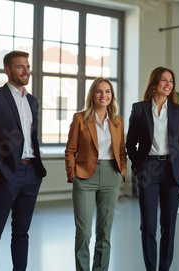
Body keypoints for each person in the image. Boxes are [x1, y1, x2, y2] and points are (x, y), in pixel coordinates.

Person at [0, 50, 47, 271]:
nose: (26, 71)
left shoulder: (32, 101)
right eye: (20, 67)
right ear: (7, 70)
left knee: (22, 232)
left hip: (31, 173)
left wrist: (35, 171)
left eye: (27, 66)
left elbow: (31, 137)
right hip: (5, 175)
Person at [126, 67, 179, 271]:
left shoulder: (178, 111)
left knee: (169, 225)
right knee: (148, 224)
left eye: (171, 81)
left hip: (173, 171)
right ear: (154, 84)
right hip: (149, 170)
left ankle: (164, 268)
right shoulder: (139, 109)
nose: (168, 84)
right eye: (164, 80)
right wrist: (138, 165)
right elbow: (130, 143)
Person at [65, 77, 127, 271]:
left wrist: (122, 172)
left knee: (104, 231)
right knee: (83, 232)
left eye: (108, 91)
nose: (104, 95)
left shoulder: (118, 121)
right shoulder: (80, 118)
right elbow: (70, 150)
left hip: (111, 175)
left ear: (112, 96)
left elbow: (122, 150)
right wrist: (72, 173)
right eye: (99, 91)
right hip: (84, 177)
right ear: (92, 95)